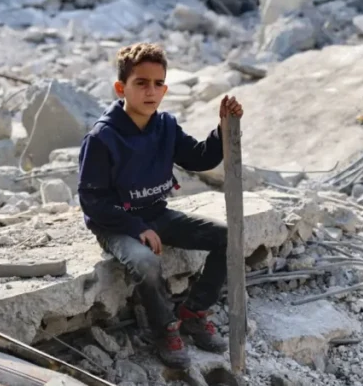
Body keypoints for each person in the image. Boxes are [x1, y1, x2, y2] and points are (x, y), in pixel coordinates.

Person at [77, 42, 244, 369]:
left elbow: (199, 158)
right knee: (146, 262)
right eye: (141, 83)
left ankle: (194, 313)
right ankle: (164, 330)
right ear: (121, 88)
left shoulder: (165, 126)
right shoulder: (102, 138)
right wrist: (136, 229)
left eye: (157, 84)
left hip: (156, 213)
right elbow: (92, 201)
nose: (150, 91)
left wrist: (222, 129)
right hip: (116, 223)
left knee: (228, 238)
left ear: (165, 89)